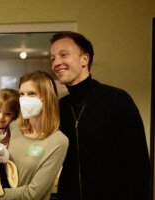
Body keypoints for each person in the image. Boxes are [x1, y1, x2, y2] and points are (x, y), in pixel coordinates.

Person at [50, 31, 151, 200]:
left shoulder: (117, 100)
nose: (56, 63)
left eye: (63, 55)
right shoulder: (60, 107)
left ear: (84, 59)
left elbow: (139, 166)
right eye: (53, 58)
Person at [0, 70, 69, 200]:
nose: (25, 99)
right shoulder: (13, 127)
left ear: (46, 97)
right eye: (22, 94)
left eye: (31, 94)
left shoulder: (58, 141)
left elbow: (34, 193)